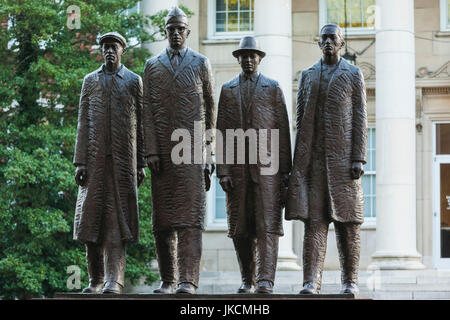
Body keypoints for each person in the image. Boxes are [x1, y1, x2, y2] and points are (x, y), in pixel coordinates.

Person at [286, 24, 367, 295]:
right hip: (315, 164)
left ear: (342, 43)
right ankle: (311, 281)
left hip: (344, 164)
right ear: (318, 42)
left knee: (348, 226)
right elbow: (299, 120)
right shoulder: (307, 75)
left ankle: (350, 280)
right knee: (314, 225)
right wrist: (299, 165)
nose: (328, 42)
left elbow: (360, 118)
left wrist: (359, 157)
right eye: (324, 38)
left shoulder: (353, 74)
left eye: (333, 38)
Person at [142, 7, 215, 294]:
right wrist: (150, 151)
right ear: (165, 32)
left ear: (187, 32)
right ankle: (168, 279)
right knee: (162, 223)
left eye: (180, 29)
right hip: (162, 154)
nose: (175, 33)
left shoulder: (201, 63)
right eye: (170, 29)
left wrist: (210, 157)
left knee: (190, 221)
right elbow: (146, 111)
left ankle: (188, 281)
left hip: (193, 152)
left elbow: (211, 110)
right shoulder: (152, 66)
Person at [216, 36, 292, 294]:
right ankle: (247, 278)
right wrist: (223, 170)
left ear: (259, 58)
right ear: (238, 58)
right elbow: (221, 133)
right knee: (240, 229)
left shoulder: (272, 88)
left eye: (252, 56)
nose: (248, 60)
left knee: (267, 227)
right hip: (237, 172)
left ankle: (265, 280)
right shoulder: (227, 90)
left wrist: (285, 171)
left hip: (267, 172)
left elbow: (282, 132)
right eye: (244, 56)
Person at [73, 32, 146, 294]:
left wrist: (141, 164)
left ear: (122, 51)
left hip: (122, 164)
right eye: (105, 48)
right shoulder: (90, 81)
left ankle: (114, 280)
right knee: (90, 223)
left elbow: (141, 126)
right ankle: (95, 280)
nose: (109, 52)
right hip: (93, 164)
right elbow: (83, 122)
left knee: (117, 222)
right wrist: (80, 161)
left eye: (114, 47)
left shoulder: (133, 82)